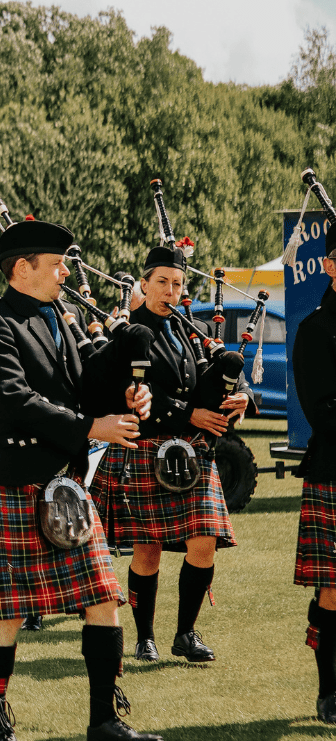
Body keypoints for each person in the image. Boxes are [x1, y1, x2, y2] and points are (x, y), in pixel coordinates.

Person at [0, 219, 164, 741]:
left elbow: (81, 381)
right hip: (15, 482)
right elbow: (17, 400)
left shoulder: (55, 316)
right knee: (9, 612)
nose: (67, 272)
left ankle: (103, 724)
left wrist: (127, 387)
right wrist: (93, 427)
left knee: (103, 597)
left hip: (63, 484)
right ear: (23, 269)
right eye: (57, 263)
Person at [89, 245, 251, 664]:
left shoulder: (191, 328)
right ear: (143, 285)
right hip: (146, 449)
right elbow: (135, 388)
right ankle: (144, 637)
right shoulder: (129, 333)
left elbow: (221, 369)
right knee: (148, 550)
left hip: (192, 454)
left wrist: (241, 395)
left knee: (204, 543)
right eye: (161, 282)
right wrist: (188, 413)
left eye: (177, 284)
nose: (170, 290)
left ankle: (185, 633)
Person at [292, 226, 336, 724]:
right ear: (329, 265)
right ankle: (329, 692)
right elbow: (323, 411)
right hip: (334, 470)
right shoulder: (316, 328)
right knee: (333, 590)